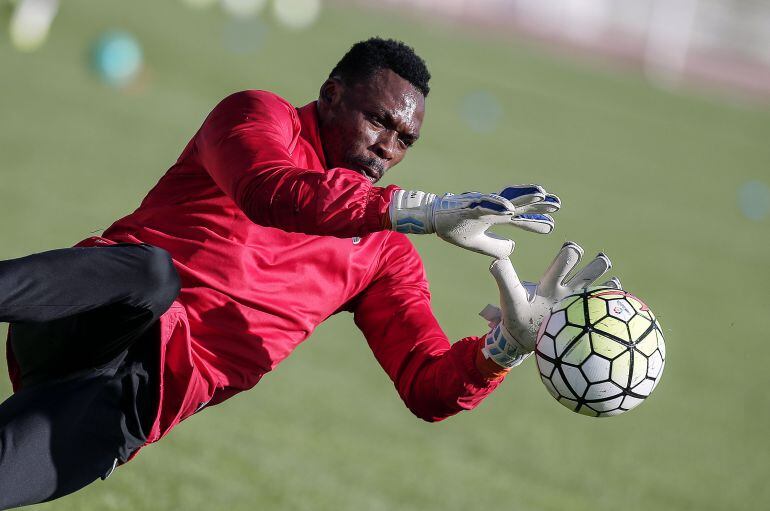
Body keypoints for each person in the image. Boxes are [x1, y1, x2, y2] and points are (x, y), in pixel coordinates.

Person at [0, 37, 613, 509]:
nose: (387, 149)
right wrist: (414, 209)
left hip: (135, 402)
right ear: (332, 94)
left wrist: (503, 349)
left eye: (405, 140)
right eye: (379, 121)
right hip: (86, 316)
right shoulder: (257, 117)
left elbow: (425, 385)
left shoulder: (384, 252)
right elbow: (273, 194)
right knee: (153, 278)